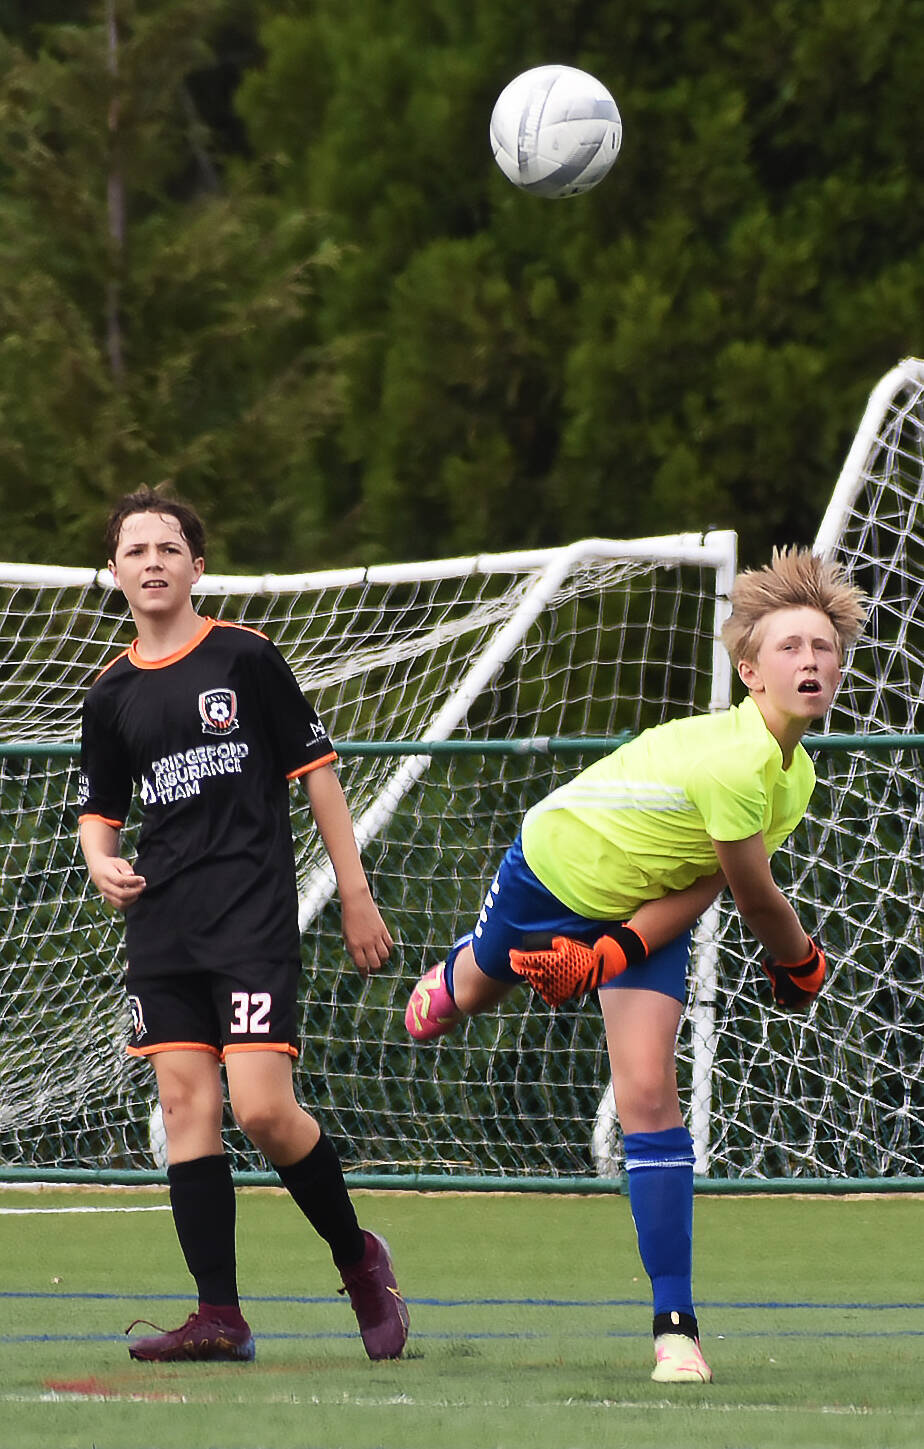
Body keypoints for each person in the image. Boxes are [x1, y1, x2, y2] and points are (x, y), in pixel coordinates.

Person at [404, 546, 865, 1384]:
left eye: (824, 647)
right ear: (750, 671)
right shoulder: (734, 759)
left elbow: (710, 883)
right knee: (476, 986)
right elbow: (763, 907)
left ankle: (675, 1326)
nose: (811, 659)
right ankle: (457, 971)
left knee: (651, 1094)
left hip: (641, 901)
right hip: (557, 866)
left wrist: (617, 948)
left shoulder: (790, 777)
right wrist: (802, 961)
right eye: (791, 646)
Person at [78, 486, 409, 1364]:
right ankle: (218, 1316)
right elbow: (98, 808)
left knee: (262, 1109)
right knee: (187, 1106)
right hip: (162, 928)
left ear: (197, 565)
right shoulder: (108, 693)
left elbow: (319, 773)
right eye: (135, 549)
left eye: (169, 546)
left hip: (250, 921)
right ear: (112, 572)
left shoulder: (245, 659)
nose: (153, 560)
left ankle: (359, 1260)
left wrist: (355, 891)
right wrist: (99, 858)